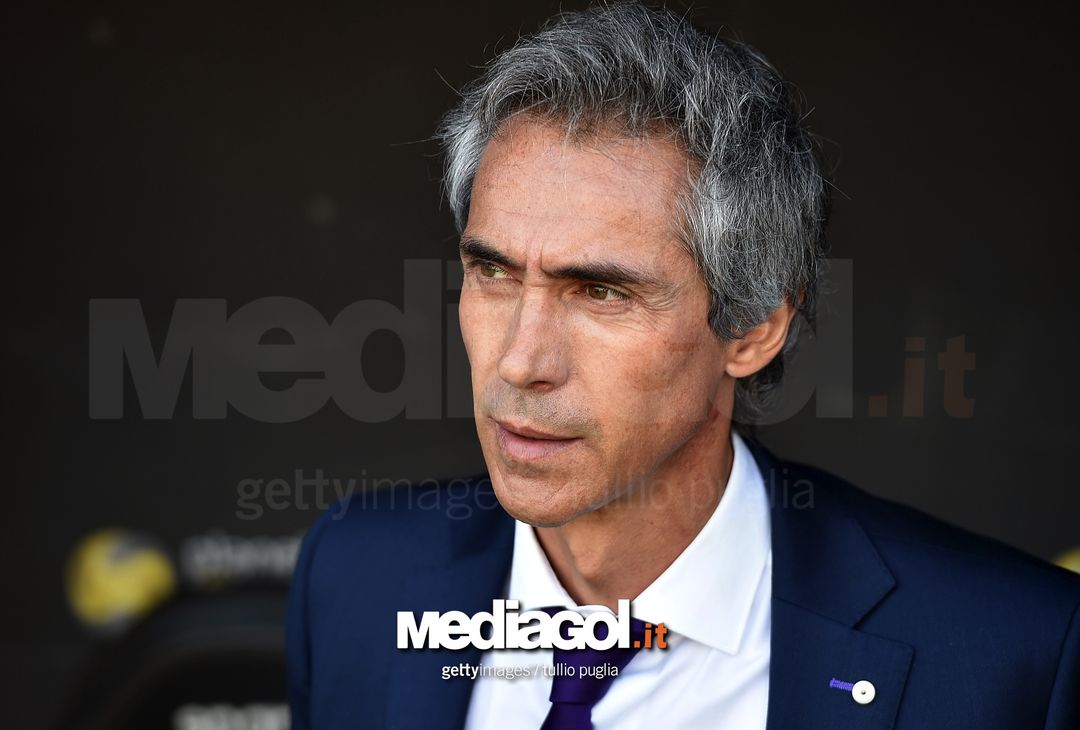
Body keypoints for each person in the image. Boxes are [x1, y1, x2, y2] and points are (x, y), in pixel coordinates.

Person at [286, 3, 1080, 728]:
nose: (521, 362)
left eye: (600, 292)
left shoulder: (1013, 652)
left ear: (755, 327)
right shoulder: (354, 578)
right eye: (493, 272)